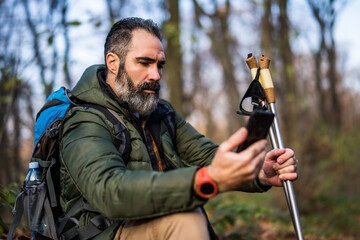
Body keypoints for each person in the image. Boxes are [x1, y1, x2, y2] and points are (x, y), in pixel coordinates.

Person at [59, 17, 298, 240]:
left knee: (187, 214)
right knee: (185, 216)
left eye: (160, 65)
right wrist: (205, 179)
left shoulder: (161, 112)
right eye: (144, 63)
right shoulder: (85, 120)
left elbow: (207, 156)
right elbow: (111, 192)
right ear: (113, 63)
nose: (155, 75)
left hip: (157, 223)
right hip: (104, 232)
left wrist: (259, 172)